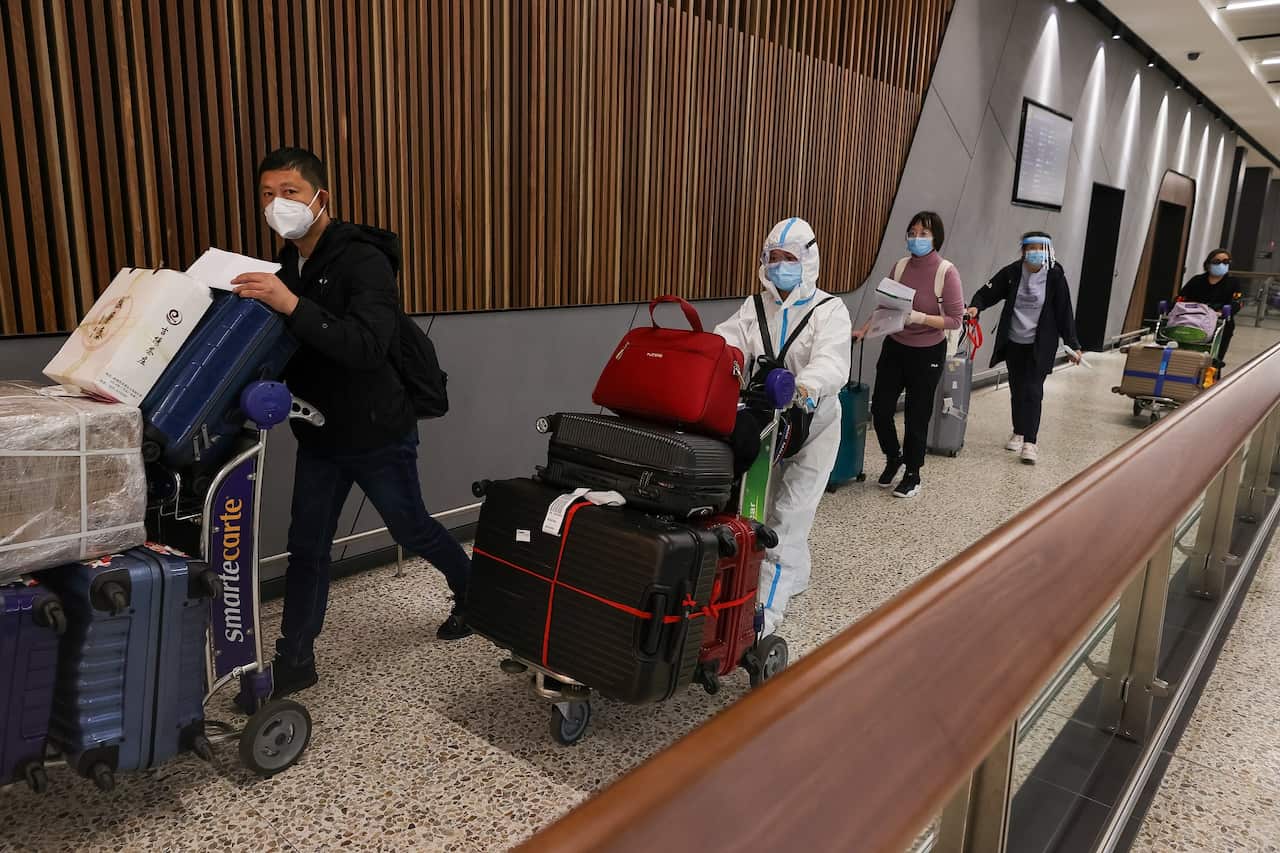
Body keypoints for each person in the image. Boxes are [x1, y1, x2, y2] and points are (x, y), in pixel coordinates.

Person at [229, 147, 472, 701]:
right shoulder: (287, 266)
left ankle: (473, 591)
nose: (276, 205)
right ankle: (295, 658)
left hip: (377, 429)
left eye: (289, 192)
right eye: (267, 195)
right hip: (319, 432)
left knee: (411, 528)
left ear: (321, 198)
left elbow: (366, 346)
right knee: (307, 545)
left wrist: (289, 304)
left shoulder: (364, 260)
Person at [714, 217, 851, 636]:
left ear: (808, 261)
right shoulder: (755, 308)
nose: (780, 267)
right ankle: (791, 574)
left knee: (788, 517)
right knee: (753, 506)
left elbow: (831, 361)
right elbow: (726, 343)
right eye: (774, 259)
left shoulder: (830, 310)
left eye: (789, 259)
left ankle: (762, 619)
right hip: (764, 424)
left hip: (814, 424)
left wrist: (807, 386)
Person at [854, 211, 964, 498]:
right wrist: (864, 329)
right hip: (896, 346)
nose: (916, 239)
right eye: (912, 232)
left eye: (923, 234)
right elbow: (885, 305)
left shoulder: (946, 272)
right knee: (880, 409)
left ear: (935, 238)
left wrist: (920, 317)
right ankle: (894, 457)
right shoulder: (900, 266)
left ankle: (913, 473)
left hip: (928, 352)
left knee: (917, 415)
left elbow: (955, 320)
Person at [966, 231, 1083, 465]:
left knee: (1033, 390)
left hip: (1040, 343)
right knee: (1018, 389)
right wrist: (975, 307)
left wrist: (1073, 344)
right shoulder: (1012, 272)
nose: (1035, 253)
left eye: (1040, 248)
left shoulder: (1055, 275)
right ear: (1023, 251)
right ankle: (1018, 431)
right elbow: (986, 292)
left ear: (1048, 251)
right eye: (1030, 249)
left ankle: (1030, 441)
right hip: (1014, 342)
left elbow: (1064, 311)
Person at [1179, 248, 1240, 369]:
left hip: (1220, 325)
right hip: (1194, 322)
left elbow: (1237, 302)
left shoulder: (1233, 283)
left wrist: (1222, 312)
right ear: (1208, 264)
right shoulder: (1197, 280)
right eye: (1217, 261)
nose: (1222, 264)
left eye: (1226, 262)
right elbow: (1181, 298)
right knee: (1190, 355)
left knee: (1214, 360)